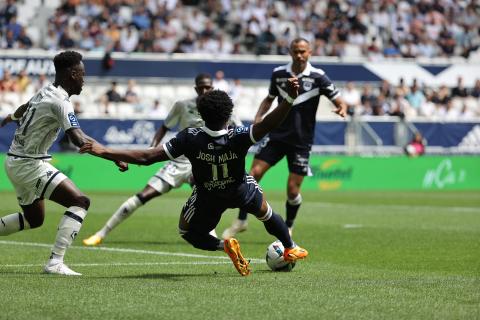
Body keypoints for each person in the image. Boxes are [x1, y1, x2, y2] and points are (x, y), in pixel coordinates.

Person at [80, 79, 308, 276]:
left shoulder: (190, 137)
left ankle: (224, 245)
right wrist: (288, 99)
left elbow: (147, 157)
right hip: (240, 189)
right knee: (266, 213)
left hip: (208, 196)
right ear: (229, 114)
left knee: (188, 232)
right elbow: (269, 123)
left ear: (200, 114)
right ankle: (290, 246)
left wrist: (105, 151)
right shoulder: (238, 136)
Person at [0, 51, 128, 276]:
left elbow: (24, 108)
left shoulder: (45, 91)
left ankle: (55, 262)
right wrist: (113, 156)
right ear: (72, 74)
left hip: (14, 161)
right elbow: (79, 140)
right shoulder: (61, 102)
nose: (84, 80)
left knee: (34, 219)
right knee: (80, 201)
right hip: (30, 164)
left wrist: (9, 118)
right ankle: (55, 262)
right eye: (82, 75)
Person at [82, 73, 241, 246]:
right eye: (201, 87)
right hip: (179, 161)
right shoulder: (182, 105)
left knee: (207, 200)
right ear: (195, 88)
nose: (204, 90)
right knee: (144, 195)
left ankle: (217, 242)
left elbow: (238, 131)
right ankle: (101, 234)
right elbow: (164, 127)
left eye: (208, 87)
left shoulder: (219, 108)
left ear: (213, 87)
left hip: (204, 162)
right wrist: (152, 150)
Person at [222, 38, 347, 239]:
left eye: (303, 51)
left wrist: (342, 107)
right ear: (290, 52)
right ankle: (242, 220)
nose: (299, 55)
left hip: (301, 141)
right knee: (252, 174)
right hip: (277, 136)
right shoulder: (279, 74)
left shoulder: (318, 77)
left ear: (310, 52)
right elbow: (269, 98)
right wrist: (259, 117)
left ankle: (288, 226)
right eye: (296, 51)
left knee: (292, 189)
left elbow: (339, 99)